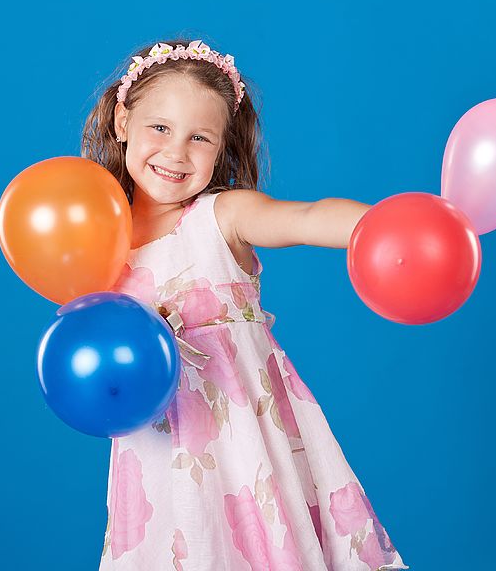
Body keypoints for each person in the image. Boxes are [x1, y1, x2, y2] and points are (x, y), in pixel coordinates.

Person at [81, 39, 409, 571]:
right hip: (158, 457)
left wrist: (388, 227)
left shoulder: (222, 215)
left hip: (246, 443)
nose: (176, 152)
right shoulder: (98, 243)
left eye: (199, 137)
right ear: (122, 121)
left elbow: (305, 218)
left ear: (221, 146)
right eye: (159, 128)